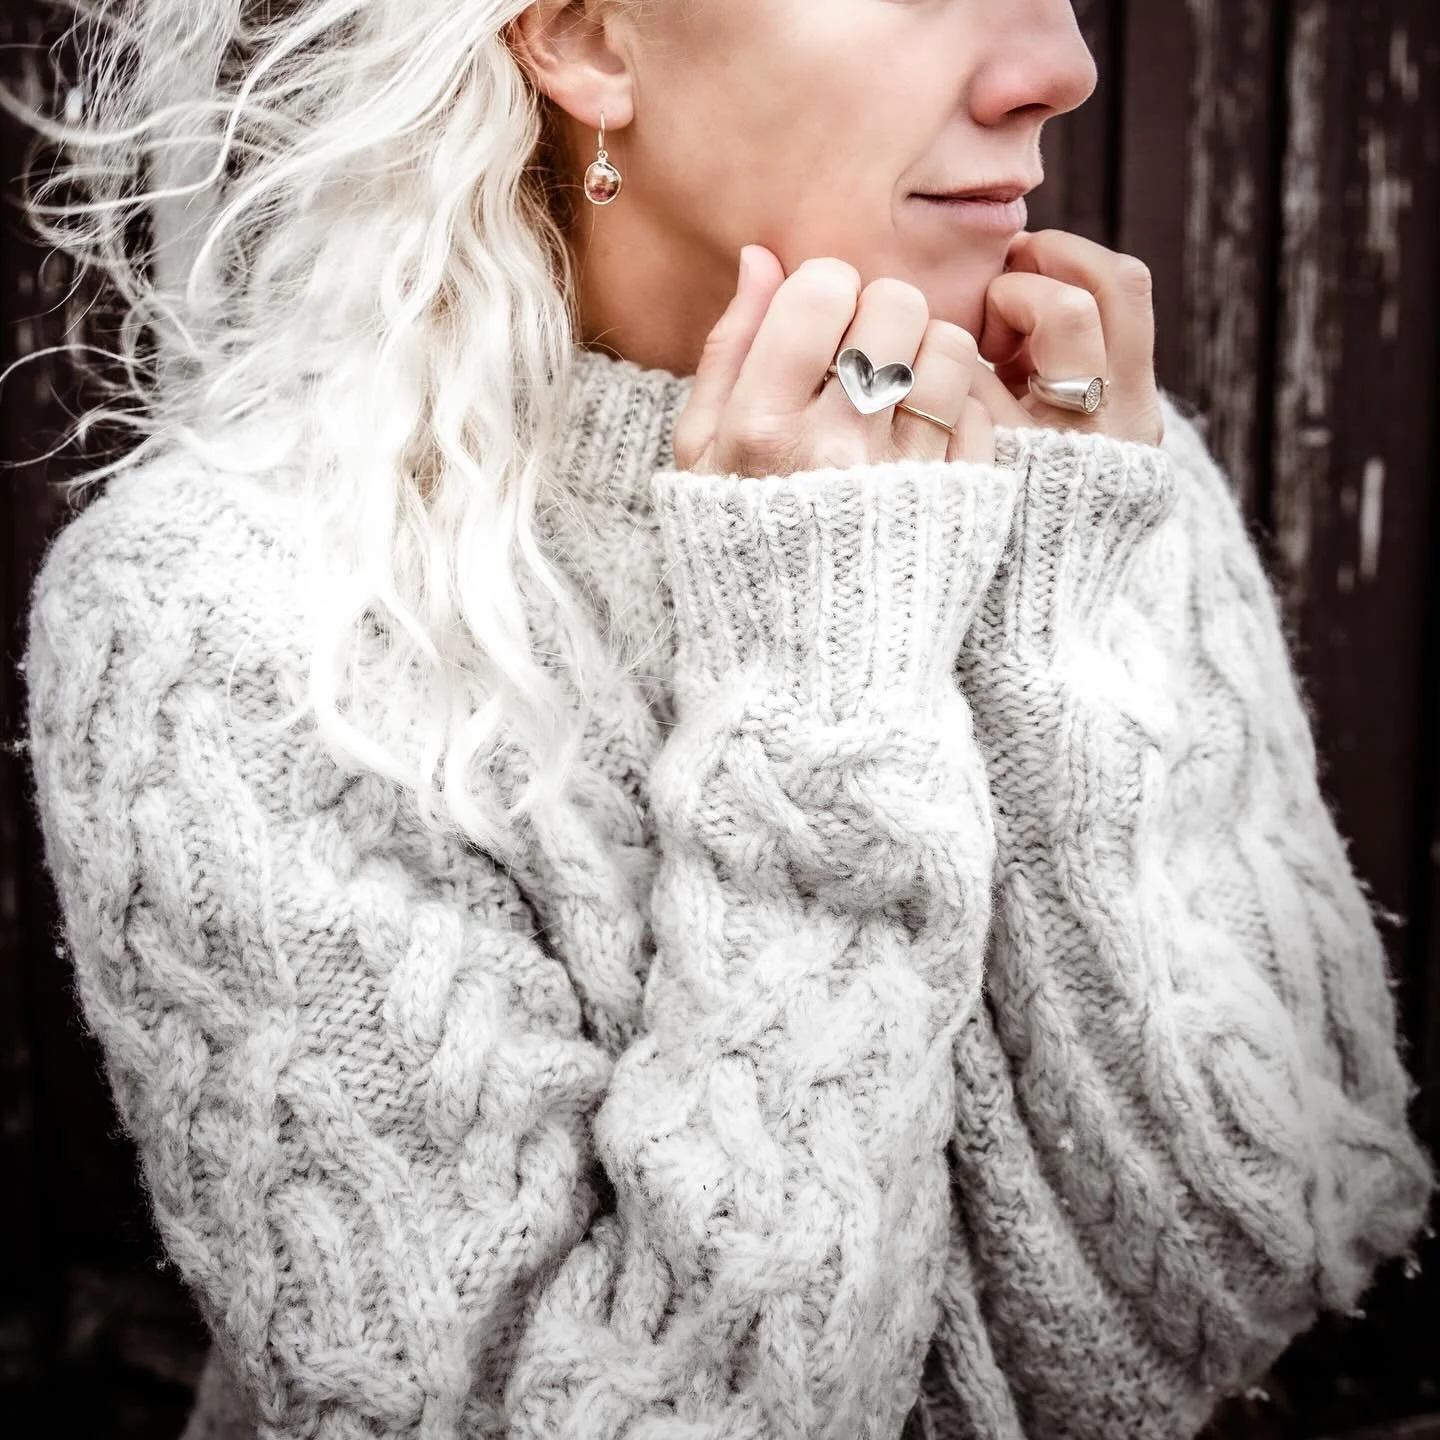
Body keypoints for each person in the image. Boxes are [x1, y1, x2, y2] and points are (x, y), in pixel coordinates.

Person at [18, 0, 1433, 1436]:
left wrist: (1049, 625)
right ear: (587, 43)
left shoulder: (1087, 460)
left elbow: (1270, 1251)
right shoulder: (229, 613)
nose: (1058, 69)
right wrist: (822, 690)